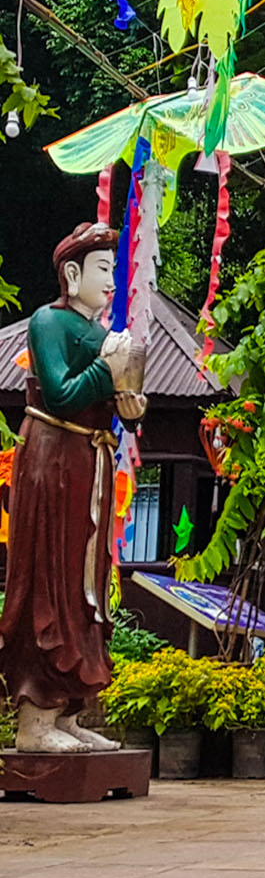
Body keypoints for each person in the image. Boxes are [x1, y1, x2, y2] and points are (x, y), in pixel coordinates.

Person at [0, 223, 142, 753]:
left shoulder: (98, 331)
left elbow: (111, 398)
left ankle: (66, 710)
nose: (111, 283)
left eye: (114, 271)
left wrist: (129, 404)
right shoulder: (48, 323)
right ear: (72, 273)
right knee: (51, 579)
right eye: (103, 270)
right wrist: (107, 372)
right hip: (53, 459)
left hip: (90, 460)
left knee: (86, 582)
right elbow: (59, 393)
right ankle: (34, 719)